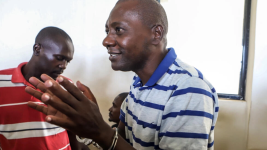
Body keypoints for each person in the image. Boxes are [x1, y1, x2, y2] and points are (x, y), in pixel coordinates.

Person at [25, 0, 219, 150]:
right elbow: (121, 142)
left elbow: (111, 140)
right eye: (107, 31)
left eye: (118, 30)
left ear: (156, 34)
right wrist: (85, 125)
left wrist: (99, 130)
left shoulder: (188, 89)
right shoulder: (139, 84)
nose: (106, 40)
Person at [0, 27, 89, 150]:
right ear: (37, 49)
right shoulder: (1, 83)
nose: (64, 66)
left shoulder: (66, 86)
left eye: (67, 61)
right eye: (59, 58)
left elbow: (71, 132)